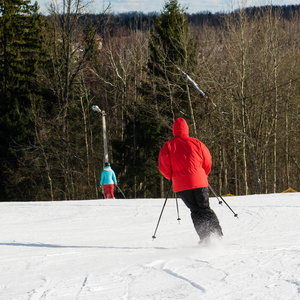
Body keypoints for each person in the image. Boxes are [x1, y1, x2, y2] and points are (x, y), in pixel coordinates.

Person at [158, 117, 223, 244]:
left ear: (174, 130)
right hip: (199, 181)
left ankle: (205, 237)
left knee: (194, 210)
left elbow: (164, 167)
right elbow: (207, 160)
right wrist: (204, 173)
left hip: (182, 185)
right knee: (204, 207)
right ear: (187, 129)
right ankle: (216, 234)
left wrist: (170, 176)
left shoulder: (168, 146)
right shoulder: (196, 143)